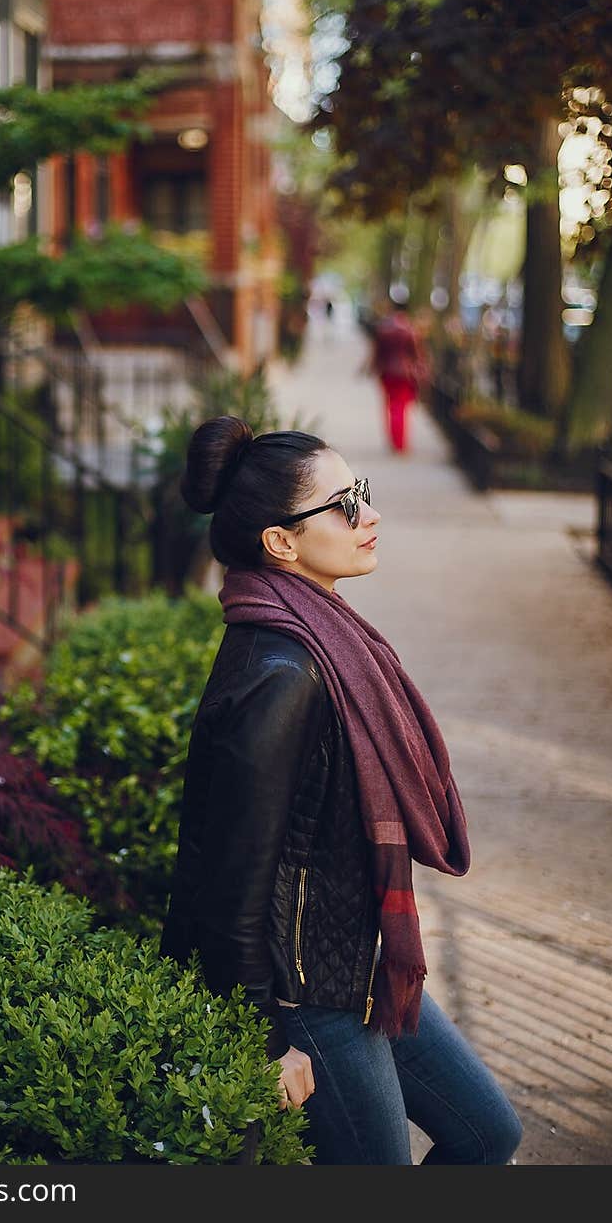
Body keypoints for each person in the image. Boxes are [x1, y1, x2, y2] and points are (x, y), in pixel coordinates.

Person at [159, 417, 522, 1165]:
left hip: (357, 967)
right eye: (344, 503)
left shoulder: (322, 636)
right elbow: (227, 885)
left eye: (363, 492)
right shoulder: (280, 679)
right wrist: (268, 1043)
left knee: (489, 1134)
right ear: (281, 543)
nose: (370, 515)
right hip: (306, 999)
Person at [363, 305, 429, 453]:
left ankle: (393, 440)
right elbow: (416, 354)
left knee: (390, 406)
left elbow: (377, 352)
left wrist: (371, 368)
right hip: (404, 375)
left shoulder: (383, 328)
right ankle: (400, 443)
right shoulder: (410, 329)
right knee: (401, 408)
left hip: (386, 373)